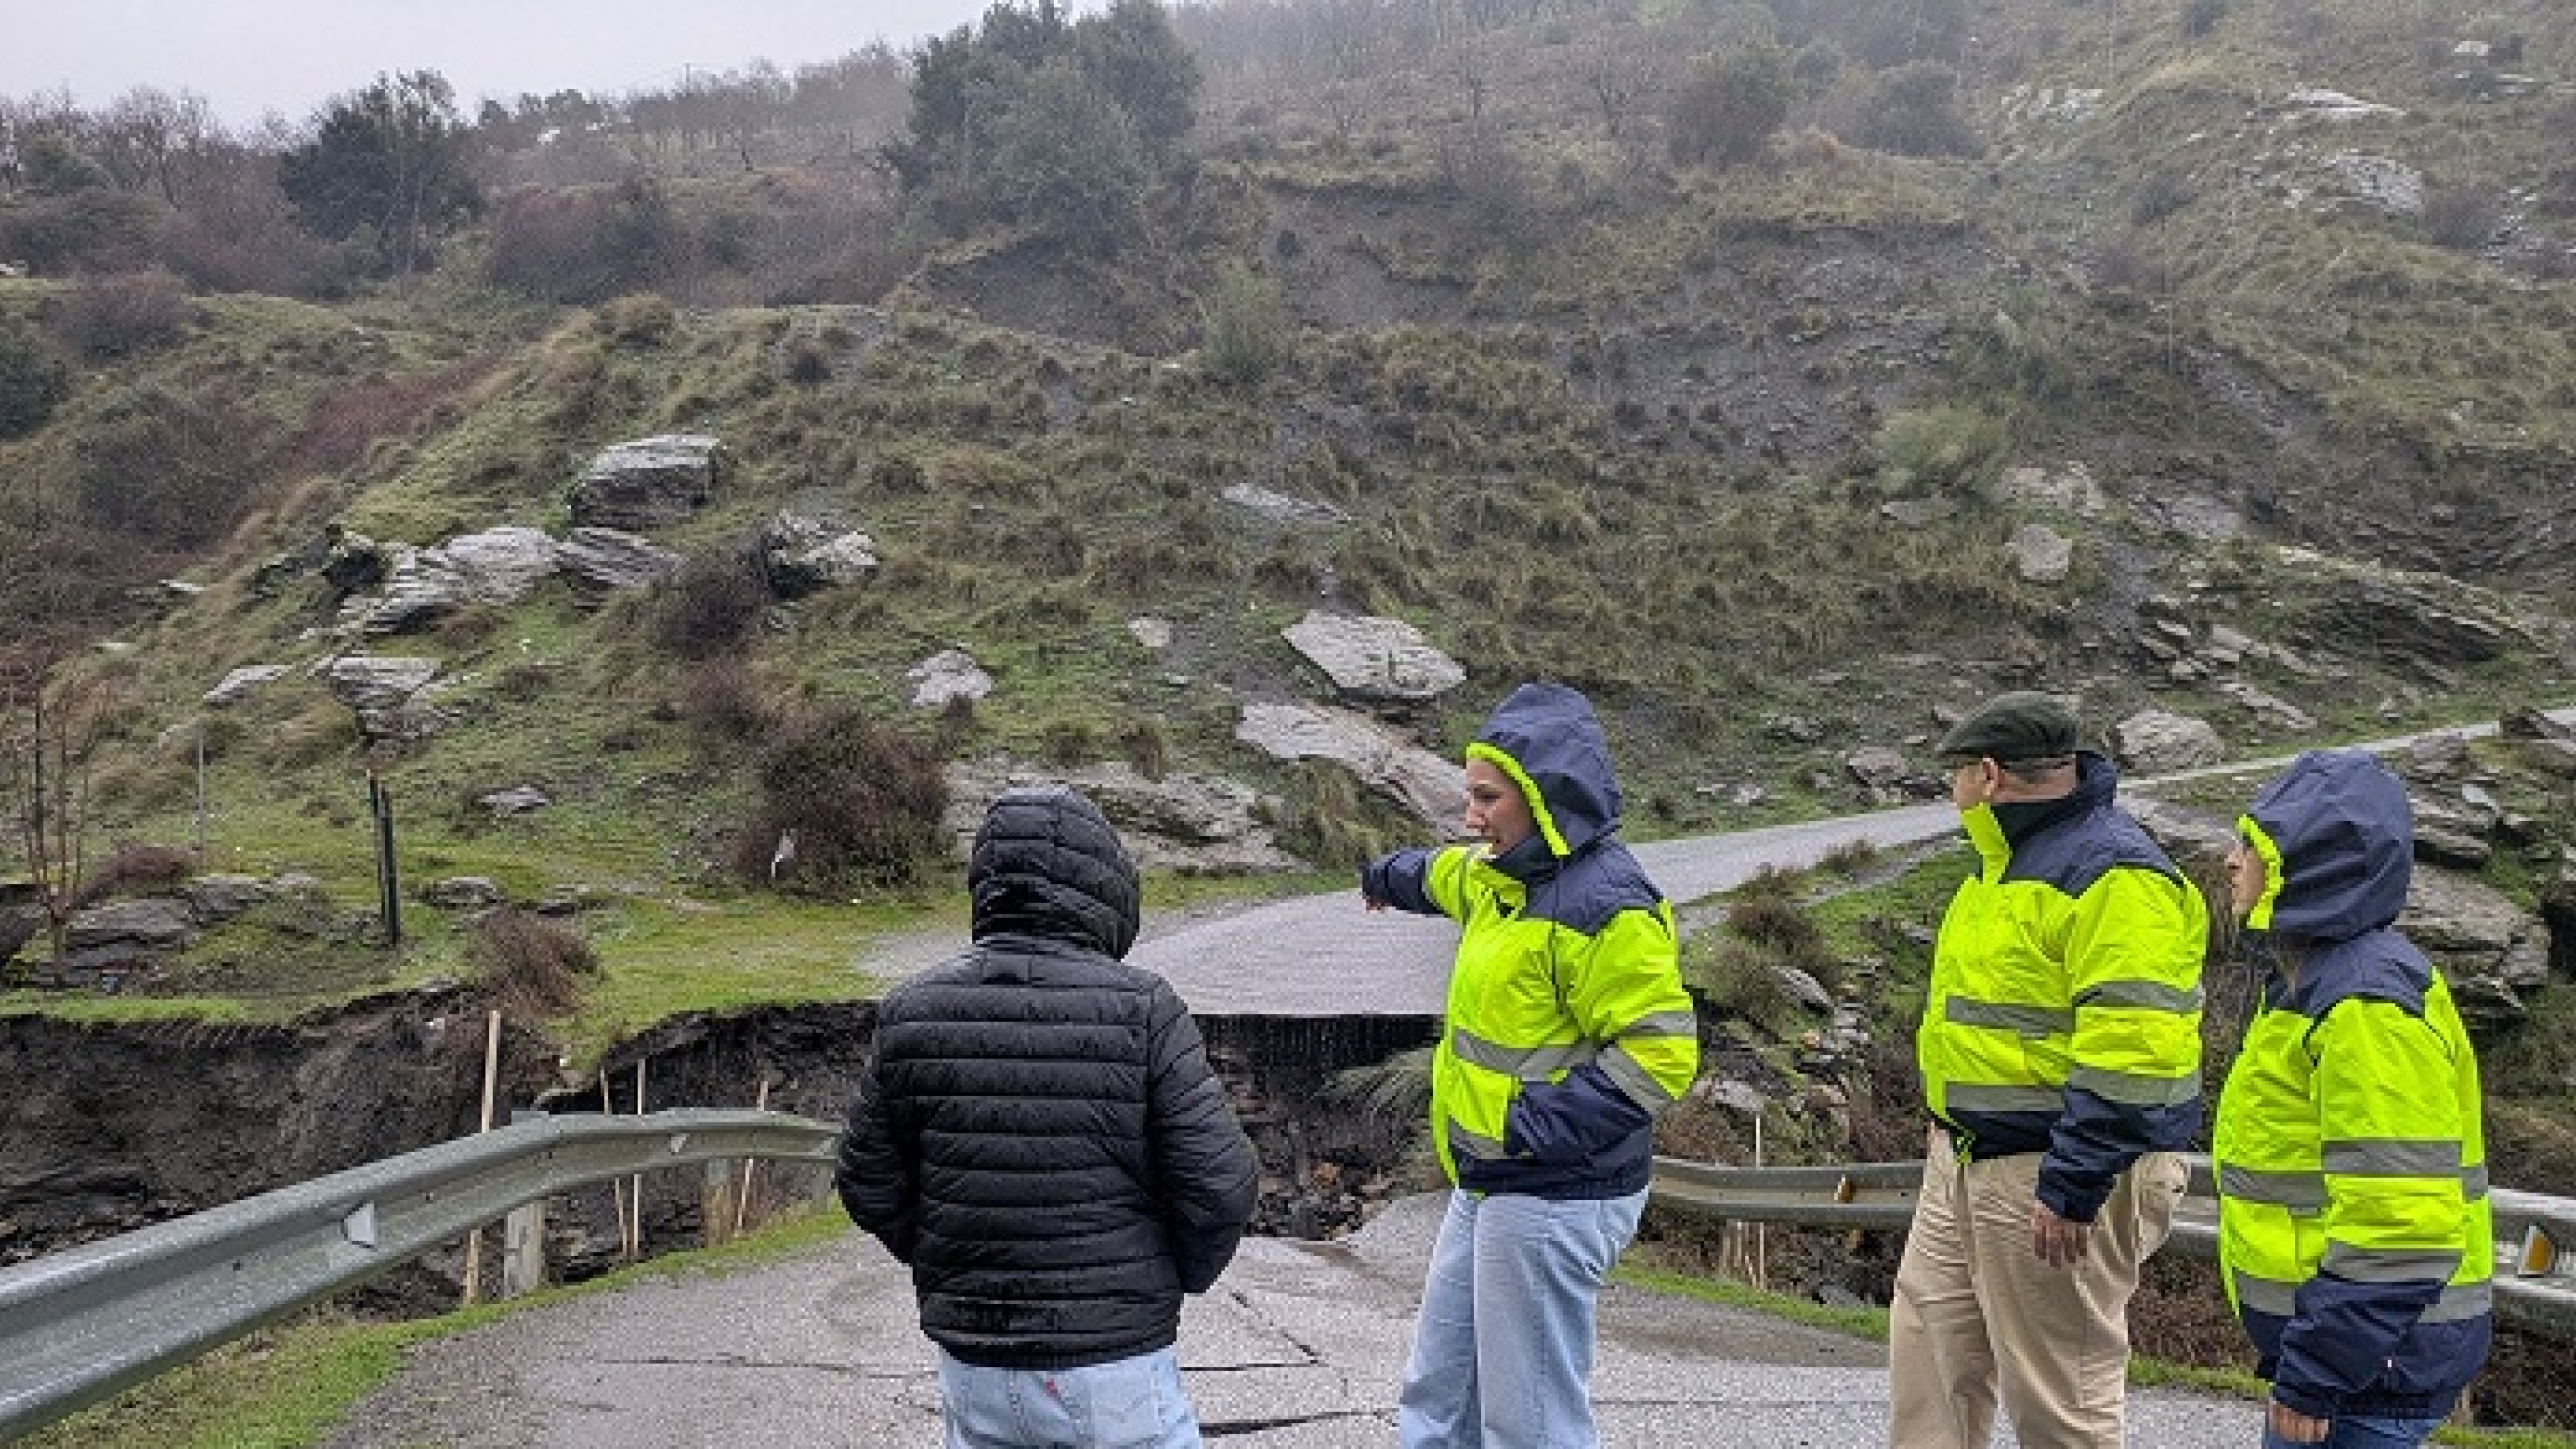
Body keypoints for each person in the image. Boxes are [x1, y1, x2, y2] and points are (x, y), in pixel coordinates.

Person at [835, 785, 1259, 1449]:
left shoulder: (911, 1009)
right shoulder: (1143, 1009)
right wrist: (1174, 1279)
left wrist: (950, 1261)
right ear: (1106, 885)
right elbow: (1220, 1183)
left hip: (972, 1365)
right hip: (1115, 1364)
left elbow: (866, 1180)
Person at [1358, 680, 1699, 1448]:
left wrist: (1525, 1128)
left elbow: (1661, 1055)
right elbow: (1436, 873)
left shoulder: (1607, 907)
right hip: (1490, 1178)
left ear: (1545, 801)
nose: (1471, 817)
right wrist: (1384, 878)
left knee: (1530, 1423)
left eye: (1487, 799)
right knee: (1440, 1396)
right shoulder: (1497, 876)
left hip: (1552, 1191)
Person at [1889, 690, 2206, 1449]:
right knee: (1927, 1372)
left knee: (2060, 1404)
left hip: (2054, 1174)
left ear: (1990, 776)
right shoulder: (2000, 869)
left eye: (1957, 774)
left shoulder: (2117, 877)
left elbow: (2136, 1051)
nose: (1953, 791)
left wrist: (2074, 1184)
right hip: (1965, 1160)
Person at [2215, 750, 2492, 1448]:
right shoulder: (2315, 981)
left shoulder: (2364, 1004)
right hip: (2359, 1363)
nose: (2230, 858)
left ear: (2311, 860)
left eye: (2254, 842)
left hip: (2366, 1376)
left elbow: (2398, 1225)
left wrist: (2318, 1372)